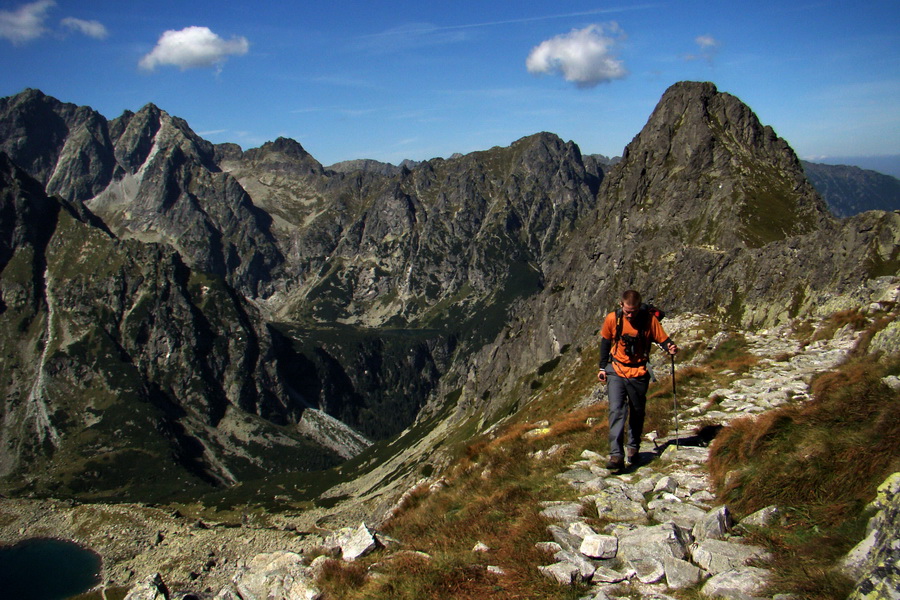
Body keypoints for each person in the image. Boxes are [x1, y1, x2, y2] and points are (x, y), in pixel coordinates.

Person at [597, 290, 678, 471]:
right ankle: (616, 455)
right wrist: (602, 368)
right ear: (621, 305)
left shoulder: (648, 320)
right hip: (616, 370)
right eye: (627, 311)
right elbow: (605, 341)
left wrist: (670, 347)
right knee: (616, 410)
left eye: (633, 311)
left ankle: (633, 448)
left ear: (639, 307)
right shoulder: (613, 319)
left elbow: (662, 339)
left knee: (637, 411)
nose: (630, 315)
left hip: (639, 372)